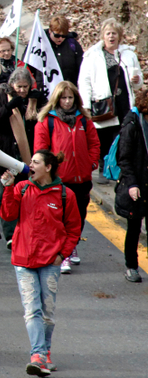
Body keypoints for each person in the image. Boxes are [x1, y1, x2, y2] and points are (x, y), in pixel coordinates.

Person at [0, 150, 82, 376]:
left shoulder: (65, 195)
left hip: (50, 262)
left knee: (47, 312)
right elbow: (7, 215)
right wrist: (7, 188)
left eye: (35, 162)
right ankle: (37, 355)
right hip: (23, 260)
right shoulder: (22, 188)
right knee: (32, 310)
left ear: (48, 167)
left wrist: (62, 255)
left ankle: (44, 354)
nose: (30, 165)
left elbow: (74, 228)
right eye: (30, 162)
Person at [33, 80, 99, 272]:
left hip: (82, 179)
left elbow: (94, 144)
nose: (68, 101)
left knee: (78, 216)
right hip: (59, 180)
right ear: (57, 99)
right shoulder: (47, 121)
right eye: (64, 98)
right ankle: (63, 254)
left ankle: (71, 246)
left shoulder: (84, 120)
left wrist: (91, 163)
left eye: (70, 98)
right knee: (60, 218)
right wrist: (48, 171)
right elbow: (41, 149)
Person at [78, 18, 144, 171]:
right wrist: (86, 105)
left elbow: (137, 83)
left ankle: (120, 168)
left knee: (124, 135)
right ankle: (104, 166)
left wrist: (137, 80)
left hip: (124, 102)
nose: (111, 36)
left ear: (119, 36)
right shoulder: (92, 56)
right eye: (108, 33)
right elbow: (84, 82)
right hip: (103, 103)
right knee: (104, 136)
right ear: (103, 36)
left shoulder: (128, 55)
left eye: (114, 33)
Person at [117, 87, 148, 282]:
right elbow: (124, 158)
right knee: (134, 226)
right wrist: (132, 184)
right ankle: (131, 266)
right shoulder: (132, 125)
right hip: (137, 183)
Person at [46, 15, 84, 86]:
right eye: (57, 36)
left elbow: (82, 67)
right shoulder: (41, 43)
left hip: (69, 87)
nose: (60, 39)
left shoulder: (73, 45)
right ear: (50, 31)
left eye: (64, 36)